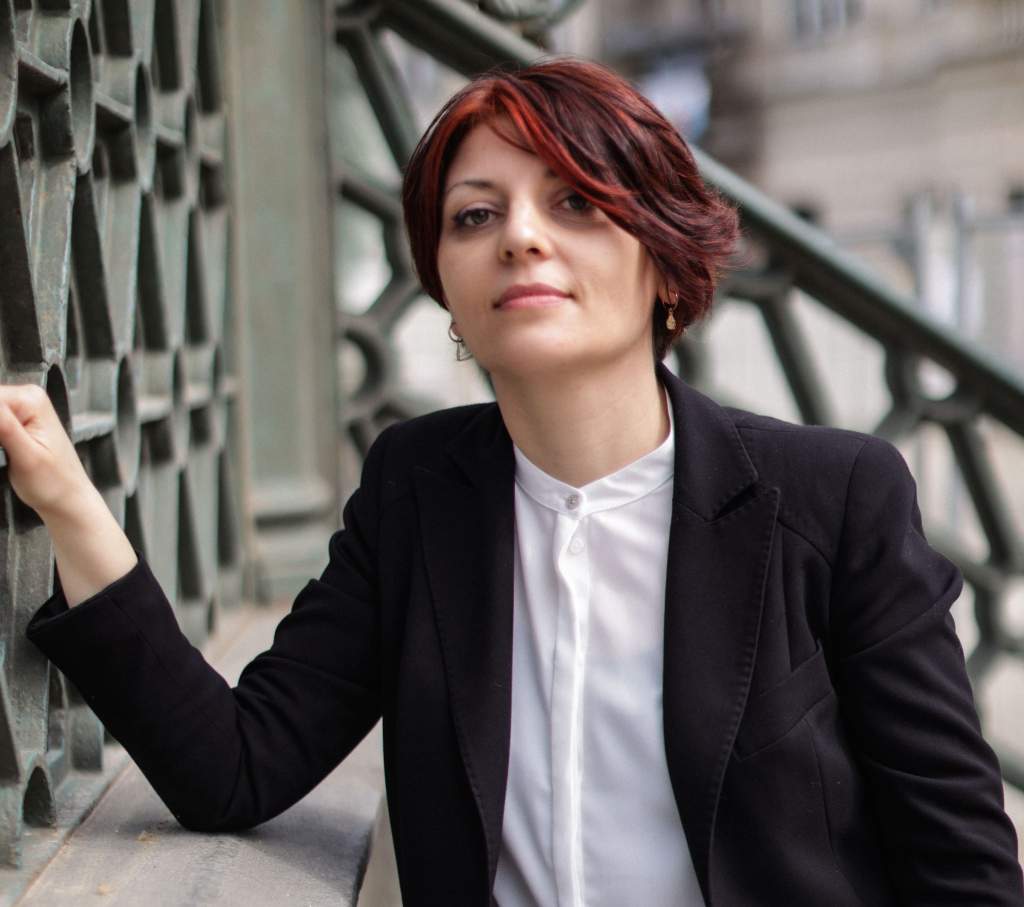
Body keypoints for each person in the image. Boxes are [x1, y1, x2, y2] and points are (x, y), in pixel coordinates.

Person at [1, 56, 1022, 906]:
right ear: (445, 287)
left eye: (575, 202)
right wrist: (65, 496)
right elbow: (236, 765)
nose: (520, 237)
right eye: (474, 215)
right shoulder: (417, 490)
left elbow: (963, 868)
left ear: (665, 262)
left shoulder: (832, 498)